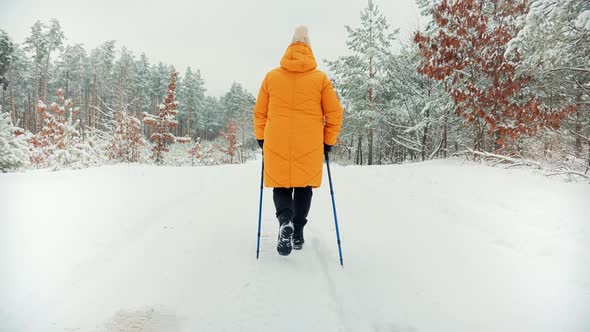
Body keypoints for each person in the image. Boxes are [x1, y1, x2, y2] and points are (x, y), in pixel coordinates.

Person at [253, 26, 344, 256]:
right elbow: (335, 113)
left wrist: (262, 138)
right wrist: (328, 142)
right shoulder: (320, 79)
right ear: (310, 51)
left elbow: (259, 113)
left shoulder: (271, 77)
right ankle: (298, 233)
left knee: (281, 183)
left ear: (289, 49)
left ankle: (285, 220)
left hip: (276, 141)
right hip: (310, 144)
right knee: (304, 186)